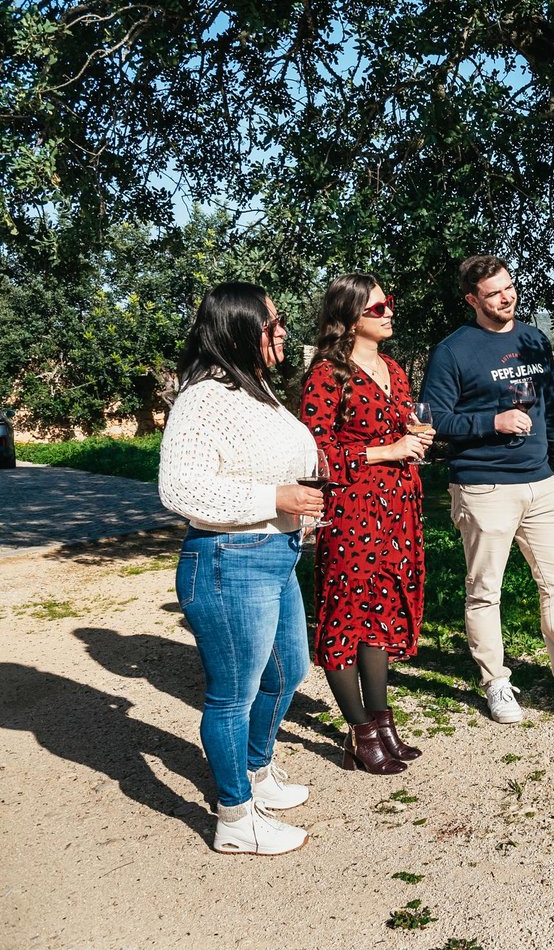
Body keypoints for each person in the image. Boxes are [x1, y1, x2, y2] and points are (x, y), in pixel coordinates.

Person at [420, 254, 554, 723]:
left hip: (542, 484)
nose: (506, 297)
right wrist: (492, 421)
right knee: (485, 590)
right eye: (493, 293)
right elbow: (436, 420)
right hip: (483, 487)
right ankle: (496, 682)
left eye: (509, 287)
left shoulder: (533, 338)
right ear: (472, 299)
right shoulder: (453, 351)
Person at [159, 282, 324, 855]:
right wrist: (274, 499)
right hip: (228, 559)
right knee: (233, 694)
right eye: (271, 323)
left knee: (288, 672)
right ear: (237, 328)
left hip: (277, 555)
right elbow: (179, 488)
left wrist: (299, 507)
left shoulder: (256, 392)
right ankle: (235, 818)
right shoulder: (203, 397)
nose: (281, 332)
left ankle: (255, 771)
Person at [300, 273, 430, 774]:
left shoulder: (394, 371)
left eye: (389, 303)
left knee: (380, 614)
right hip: (352, 510)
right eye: (377, 308)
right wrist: (389, 450)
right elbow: (315, 452)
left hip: (396, 506)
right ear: (349, 317)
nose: (388, 312)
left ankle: (381, 720)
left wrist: (414, 438)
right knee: (344, 618)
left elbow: (398, 432)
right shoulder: (327, 373)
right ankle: (358, 731)